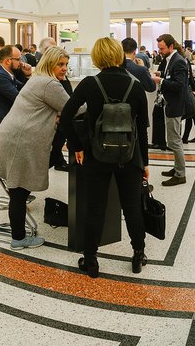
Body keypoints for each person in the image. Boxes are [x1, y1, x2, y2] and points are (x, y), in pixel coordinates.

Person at [59, 38, 149, 277]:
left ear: (97, 57)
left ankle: (91, 260)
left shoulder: (90, 84)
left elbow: (66, 116)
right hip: (129, 157)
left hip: (96, 156)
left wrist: (77, 146)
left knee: (95, 208)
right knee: (132, 208)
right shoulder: (136, 85)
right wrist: (145, 162)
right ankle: (138, 255)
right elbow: (142, 129)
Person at [0, 46, 71, 250]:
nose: (64, 68)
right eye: (60, 64)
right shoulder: (50, 83)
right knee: (19, 193)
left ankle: (18, 235)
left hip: (12, 136)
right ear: (50, 63)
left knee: (18, 191)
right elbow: (73, 108)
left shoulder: (37, 79)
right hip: (21, 142)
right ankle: (18, 238)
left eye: (66, 64)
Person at [154, 34, 189, 186]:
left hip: (175, 105)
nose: (160, 51)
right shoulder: (171, 59)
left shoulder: (178, 61)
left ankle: (180, 174)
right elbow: (172, 77)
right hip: (171, 104)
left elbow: (179, 85)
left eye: (162, 49)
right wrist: (161, 75)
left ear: (171, 47)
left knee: (175, 141)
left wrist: (160, 81)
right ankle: (176, 168)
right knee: (174, 140)